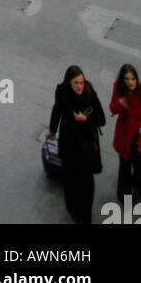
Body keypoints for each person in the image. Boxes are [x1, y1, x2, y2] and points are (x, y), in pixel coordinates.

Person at [46, 66, 106, 224]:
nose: (80, 86)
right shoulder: (62, 91)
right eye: (76, 83)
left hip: (86, 144)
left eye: (81, 82)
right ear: (68, 83)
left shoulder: (89, 93)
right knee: (71, 178)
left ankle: (85, 216)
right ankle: (73, 208)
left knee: (87, 182)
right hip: (69, 142)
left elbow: (101, 119)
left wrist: (85, 119)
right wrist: (52, 130)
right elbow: (57, 109)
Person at [109, 64, 141, 201]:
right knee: (125, 168)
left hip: (137, 135)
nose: (130, 82)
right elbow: (113, 108)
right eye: (127, 79)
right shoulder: (118, 88)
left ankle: (137, 188)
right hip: (124, 136)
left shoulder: (139, 92)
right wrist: (120, 103)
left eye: (133, 79)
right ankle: (124, 196)